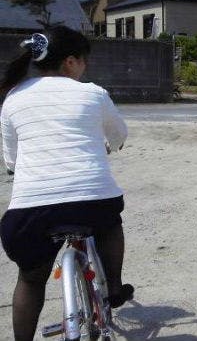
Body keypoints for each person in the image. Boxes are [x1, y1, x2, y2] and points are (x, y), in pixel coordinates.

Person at [0, 26, 133, 341]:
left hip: (30, 212)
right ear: (71, 62)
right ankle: (114, 287)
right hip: (92, 201)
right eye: (84, 60)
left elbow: (11, 161)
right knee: (109, 223)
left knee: (31, 280)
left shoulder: (13, 98)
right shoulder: (92, 93)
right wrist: (107, 147)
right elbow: (119, 136)